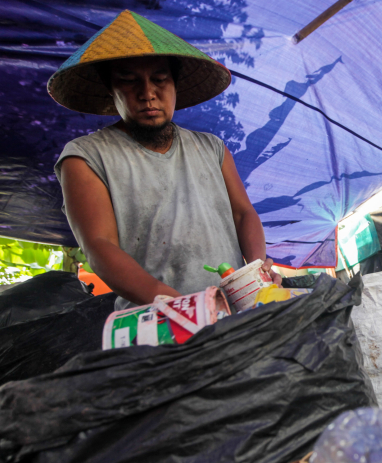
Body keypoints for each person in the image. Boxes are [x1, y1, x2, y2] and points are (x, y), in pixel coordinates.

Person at [49, 10, 280, 310]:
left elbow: (243, 214)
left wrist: (257, 267)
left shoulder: (211, 148)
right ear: (111, 89)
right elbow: (99, 246)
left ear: (175, 85)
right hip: (155, 323)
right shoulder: (86, 157)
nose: (147, 94)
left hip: (234, 310)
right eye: (129, 81)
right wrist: (180, 305)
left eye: (159, 79)